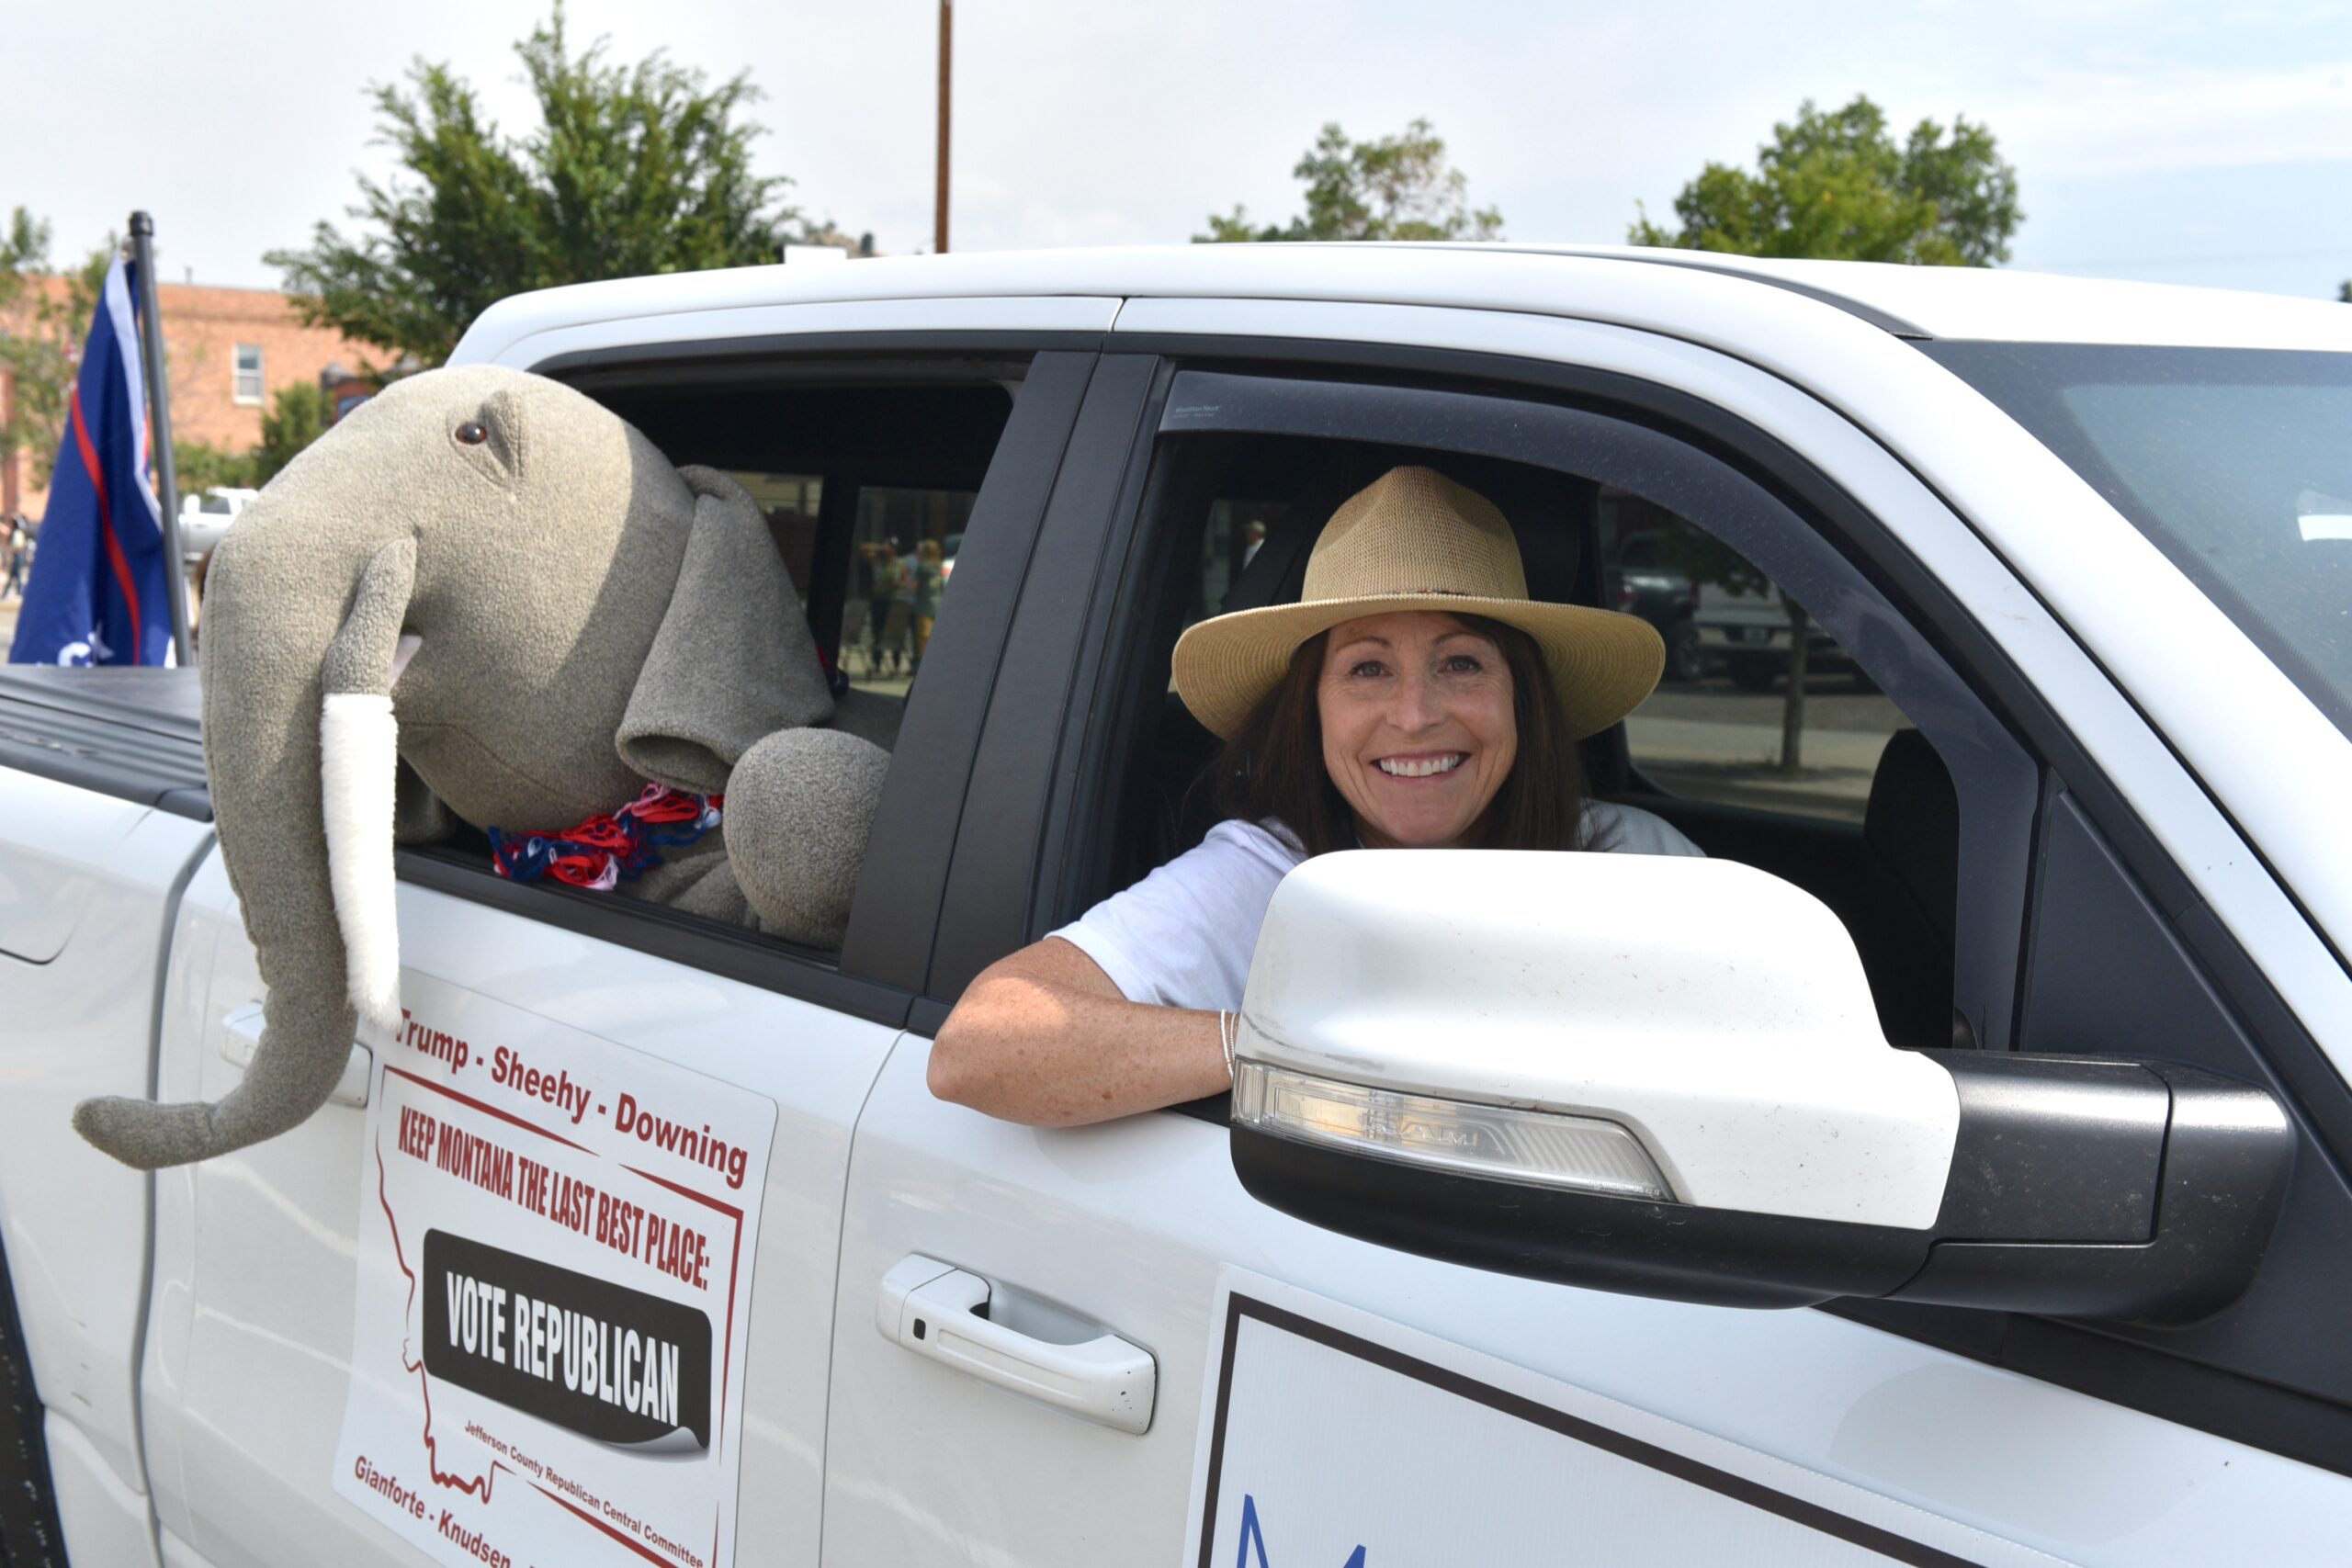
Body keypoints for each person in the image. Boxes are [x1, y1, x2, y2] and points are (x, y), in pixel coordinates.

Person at [930, 465, 1702, 1126]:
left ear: (1521, 698)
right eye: (1368, 668)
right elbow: (979, 1046)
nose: (1414, 715)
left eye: (1462, 663)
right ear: (1315, 710)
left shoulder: (1634, 861)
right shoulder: (1266, 877)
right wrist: (1290, 1042)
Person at [908, 536, 945, 670]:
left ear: (925, 553)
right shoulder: (938, 566)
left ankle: (922, 665)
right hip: (937, 604)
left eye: (919, 552)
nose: (917, 554)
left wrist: (905, 582)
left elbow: (913, 587)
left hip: (923, 606)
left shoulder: (922, 567)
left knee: (923, 637)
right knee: (933, 636)